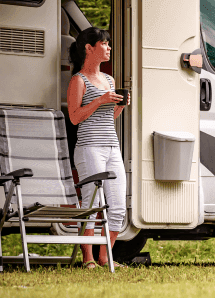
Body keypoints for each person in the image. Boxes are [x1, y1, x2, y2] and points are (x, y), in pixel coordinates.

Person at [67, 27, 130, 269]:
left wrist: (120, 106)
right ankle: (88, 259)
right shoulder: (78, 80)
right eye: (104, 43)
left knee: (117, 206)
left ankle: (106, 257)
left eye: (108, 43)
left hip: (111, 146)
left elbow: (106, 118)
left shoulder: (109, 80)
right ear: (89, 48)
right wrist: (99, 100)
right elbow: (74, 117)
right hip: (88, 147)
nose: (109, 47)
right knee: (92, 205)